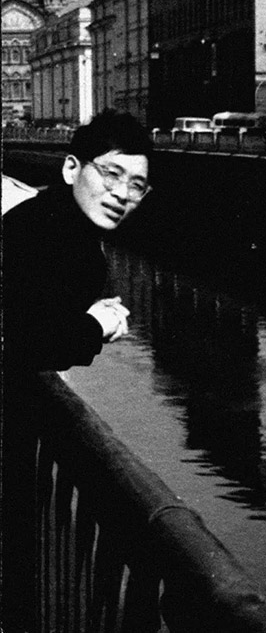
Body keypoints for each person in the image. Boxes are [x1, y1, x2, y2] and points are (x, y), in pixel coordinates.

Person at [1, 110, 152, 630]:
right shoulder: (60, 237)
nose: (121, 194)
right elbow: (28, 340)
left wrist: (81, 323)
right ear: (72, 169)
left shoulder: (49, 221)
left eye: (137, 185)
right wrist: (96, 325)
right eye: (110, 174)